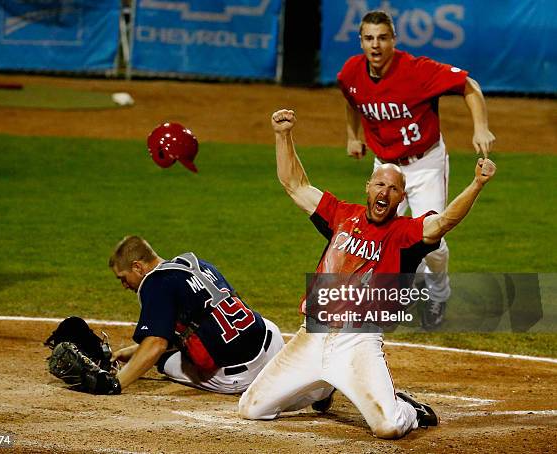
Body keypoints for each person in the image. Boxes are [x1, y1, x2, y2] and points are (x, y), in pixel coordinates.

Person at [238, 109, 496, 439]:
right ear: (368, 187)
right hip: (312, 334)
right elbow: (294, 184)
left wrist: (476, 184)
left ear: (401, 198)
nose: (384, 193)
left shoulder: (405, 234)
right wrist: (282, 134)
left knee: (387, 427)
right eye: (380, 184)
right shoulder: (341, 215)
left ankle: (407, 410)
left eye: (393, 189)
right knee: (251, 409)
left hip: (357, 341)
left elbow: (444, 221)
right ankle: (321, 388)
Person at [338, 10, 496, 329]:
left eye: (383, 38)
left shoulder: (416, 70)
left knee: (433, 240)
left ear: (393, 40)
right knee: (376, 236)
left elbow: (469, 85)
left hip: (425, 164)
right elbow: (352, 98)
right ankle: (392, 292)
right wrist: (353, 135)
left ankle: (438, 292)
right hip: (385, 165)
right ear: (361, 41)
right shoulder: (351, 72)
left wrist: (481, 128)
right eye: (369, 38)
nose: (376, 45)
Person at [108, 236, 284, 393]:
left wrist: (115, 383)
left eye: (123, 278)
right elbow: (204, 323)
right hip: (273, 344)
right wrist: (130, 352)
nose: (124, 285)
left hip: (242, 375)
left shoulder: (155, 283)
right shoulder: (196, 264)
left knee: (164, 359)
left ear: (137, 267)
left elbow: (156, 345)